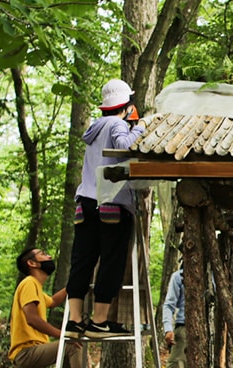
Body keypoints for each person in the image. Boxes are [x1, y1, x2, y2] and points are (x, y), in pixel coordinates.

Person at [64, 79, 147, 339]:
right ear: (126, 106)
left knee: (82, 260)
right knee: (111, 260)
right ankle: (99, 322)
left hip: (85, 203)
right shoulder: (117, 124)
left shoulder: (94, 128)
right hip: (110, 201)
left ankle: (75, 320)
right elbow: (123, 147)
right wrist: (141, 128)